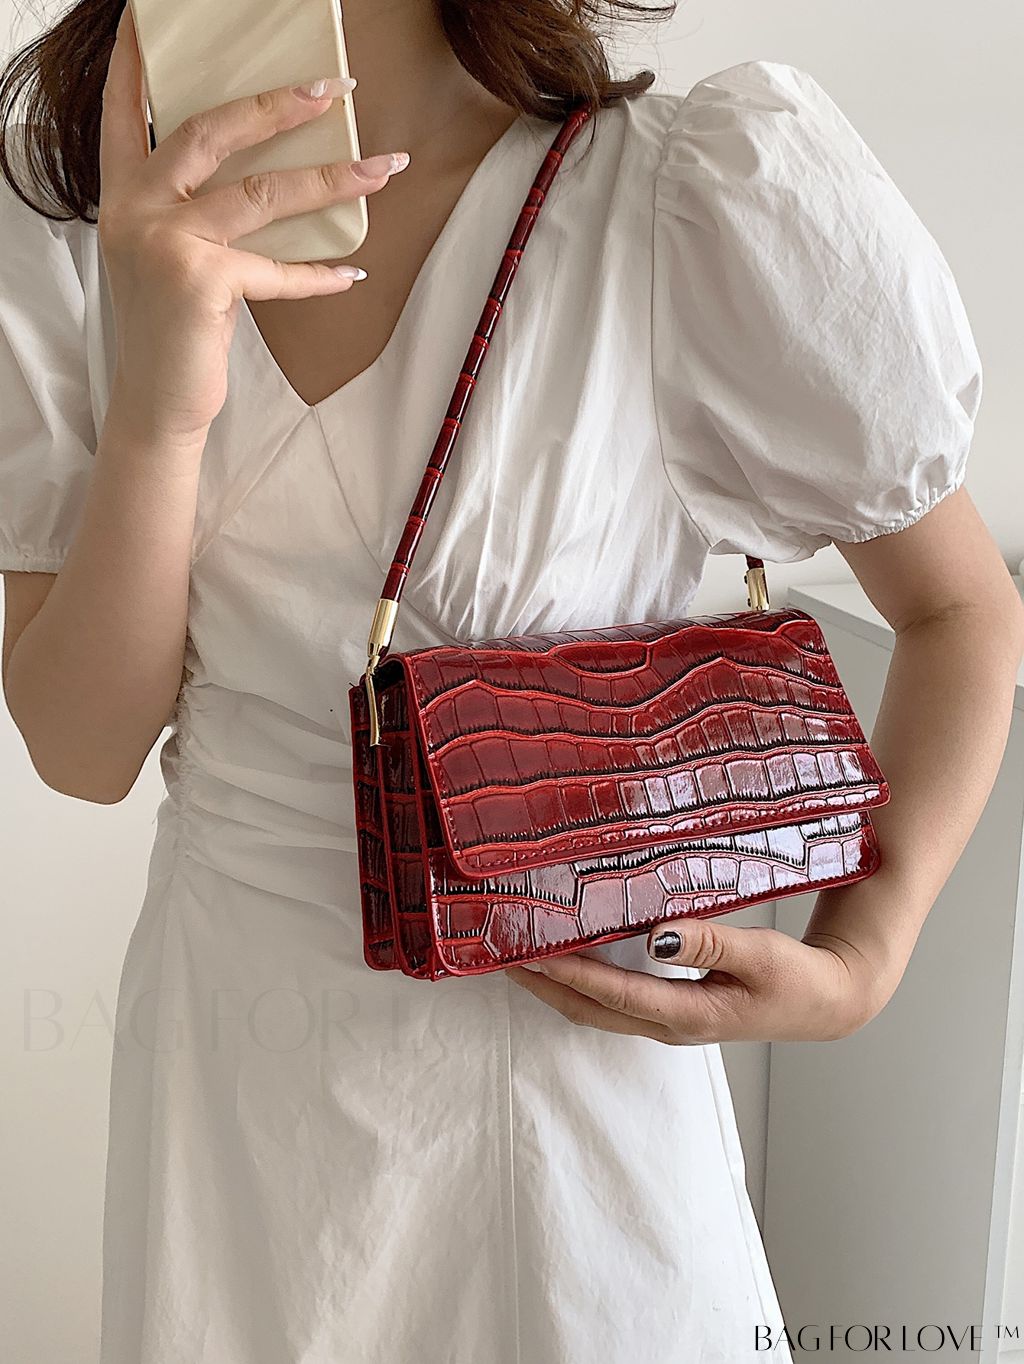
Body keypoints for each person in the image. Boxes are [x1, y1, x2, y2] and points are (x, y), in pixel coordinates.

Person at [1, 1, 1021, 1361]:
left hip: (573, 1126)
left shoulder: (679, 198)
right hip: (236, 1109)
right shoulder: (66, 208)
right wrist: (158, 414)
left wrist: (865, 958)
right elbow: (82, 751)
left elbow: (959, 608)